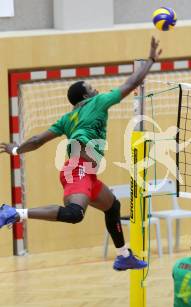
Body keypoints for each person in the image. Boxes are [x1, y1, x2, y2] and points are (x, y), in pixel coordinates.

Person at [0, 37, 162, 271]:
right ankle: (15, 212)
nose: (95, 88)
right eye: (90, 87)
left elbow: (37, 140)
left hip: (86, 172)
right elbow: (131, 83)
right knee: (74, 214)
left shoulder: (67, 119)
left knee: (112, 206)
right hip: (77, 170)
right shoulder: (98, 102)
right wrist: (150, 60)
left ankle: (123, 255)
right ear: (85, 97)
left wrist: (16, 149)